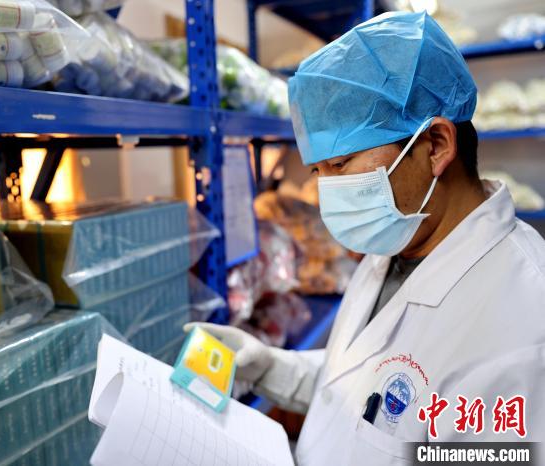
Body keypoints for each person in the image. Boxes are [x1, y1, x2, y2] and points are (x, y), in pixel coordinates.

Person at [187, 10, 545, 465]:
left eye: (340, 165)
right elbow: (364, 385)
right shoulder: (398, 240)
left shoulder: (523, 326)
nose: (326, 192)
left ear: (436, 145)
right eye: (317, 171)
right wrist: (270, 366)